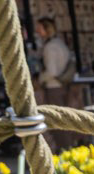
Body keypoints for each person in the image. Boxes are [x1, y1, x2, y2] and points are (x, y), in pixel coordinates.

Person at [33, 17, 79, 149]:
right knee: (61, 120)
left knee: (56, 122)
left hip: (54, 88)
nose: (37, 31)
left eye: (39, 28)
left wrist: (40, 79)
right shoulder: (59, 43)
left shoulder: (50, 47)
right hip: (62, 87)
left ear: (46, 29)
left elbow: (52, 72)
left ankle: (64, 150)